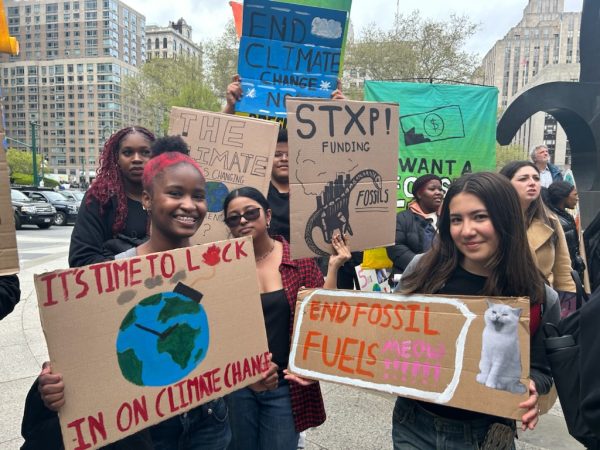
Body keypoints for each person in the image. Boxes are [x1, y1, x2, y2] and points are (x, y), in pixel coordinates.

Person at [30, 151, 233, 450]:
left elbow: (227, 336)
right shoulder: (112, 275)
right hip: (144, 428)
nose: (189, 205)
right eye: (175, 193)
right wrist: (54, 386)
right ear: (147, 200)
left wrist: (255, 369)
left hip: (209, 418)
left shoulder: (217, 267)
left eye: (198, 196)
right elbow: (87, 356)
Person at [392, 172, 559, 449]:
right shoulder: (421, 271)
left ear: (506, 219)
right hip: (413, 422)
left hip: (486, 434)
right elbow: (387, 335)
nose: (466, 230)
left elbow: (542, 369)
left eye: (480, 217)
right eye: (457, 219)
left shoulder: (540, 296)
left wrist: (533, 389)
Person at [222, 186, 350, 450]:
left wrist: (335, 265)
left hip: (284, 384)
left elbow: (322, 312)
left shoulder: (298, 260)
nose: (243, 221)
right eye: (234, 218)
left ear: (267, 215)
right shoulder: (223, 267)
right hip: (238, 384)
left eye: (250, 213)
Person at [68, 126, 155, 268]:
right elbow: (81, 260)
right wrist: (135, 257)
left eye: (145, 152)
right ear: (117, 159)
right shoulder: (99, 198)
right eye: (128, 153)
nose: (137, 159)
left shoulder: (170, 197)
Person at [499, 161, 576, 293]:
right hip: (501, 303)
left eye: (536, 178)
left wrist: (568, 303)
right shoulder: (491, 221)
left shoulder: (551, 221)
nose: (532, 183)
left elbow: (563, 271)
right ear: (505, 184)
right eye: (523, 179)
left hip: (543, 303)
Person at [386, 174, 443, 278]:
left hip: (441, 279)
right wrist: (423, 266)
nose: (438, 192)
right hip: (410, 280)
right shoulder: (402, 218)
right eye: (432, 189)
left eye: (440, 189)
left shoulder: (446, 219)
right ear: (419, 194)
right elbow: (395, 247)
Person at [545, 181, 586, 282]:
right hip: (566, 276)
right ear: (564, 196)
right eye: (575, 194)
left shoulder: (565, 217)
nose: (577, 198)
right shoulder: (557, 221)